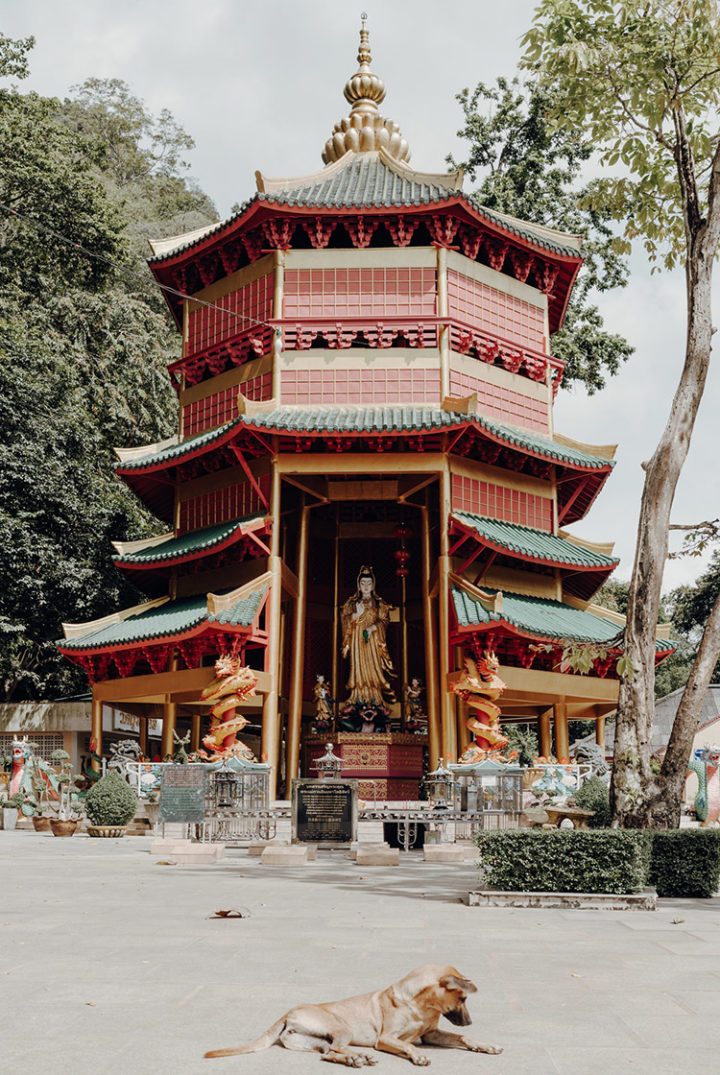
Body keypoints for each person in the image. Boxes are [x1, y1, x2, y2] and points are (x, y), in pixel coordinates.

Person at [341, 566, 396, 707]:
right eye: (363, 583)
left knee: (373, 668)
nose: (366, 586)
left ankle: (375, 698)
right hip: (357, 639)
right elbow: (345, 619)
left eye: (369, 583)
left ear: (373, 585)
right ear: (359, 586)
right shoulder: (352, 603)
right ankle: (357, 697)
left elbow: (384, 621)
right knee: (358, 667)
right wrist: (356, 615)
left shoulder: (379, 603)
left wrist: (374, 627)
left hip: (373, 639)